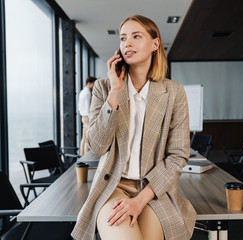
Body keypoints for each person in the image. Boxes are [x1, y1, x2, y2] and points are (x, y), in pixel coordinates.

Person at [71, 15, 196, 240]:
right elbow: (97, 147)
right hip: (113, 186)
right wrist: (115, 92)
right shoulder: (104, 87)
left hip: (154, 190)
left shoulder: (174, 92)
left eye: (136, 36)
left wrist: (139, 201)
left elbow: (178, 156)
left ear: (155, 44)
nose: (127, 43)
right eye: (123, 38)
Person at [78, 76, 97, 155]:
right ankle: (86, 157)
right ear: (89, 83)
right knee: (87, 139)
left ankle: (82, 156)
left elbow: (80, 107)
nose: (94, 86)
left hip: (83, 117)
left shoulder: (82, 92)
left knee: (84, 138)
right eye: (93, 84)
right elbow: (88, 108)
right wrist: (92, 118)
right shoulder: (88, 93)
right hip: (88, 117)